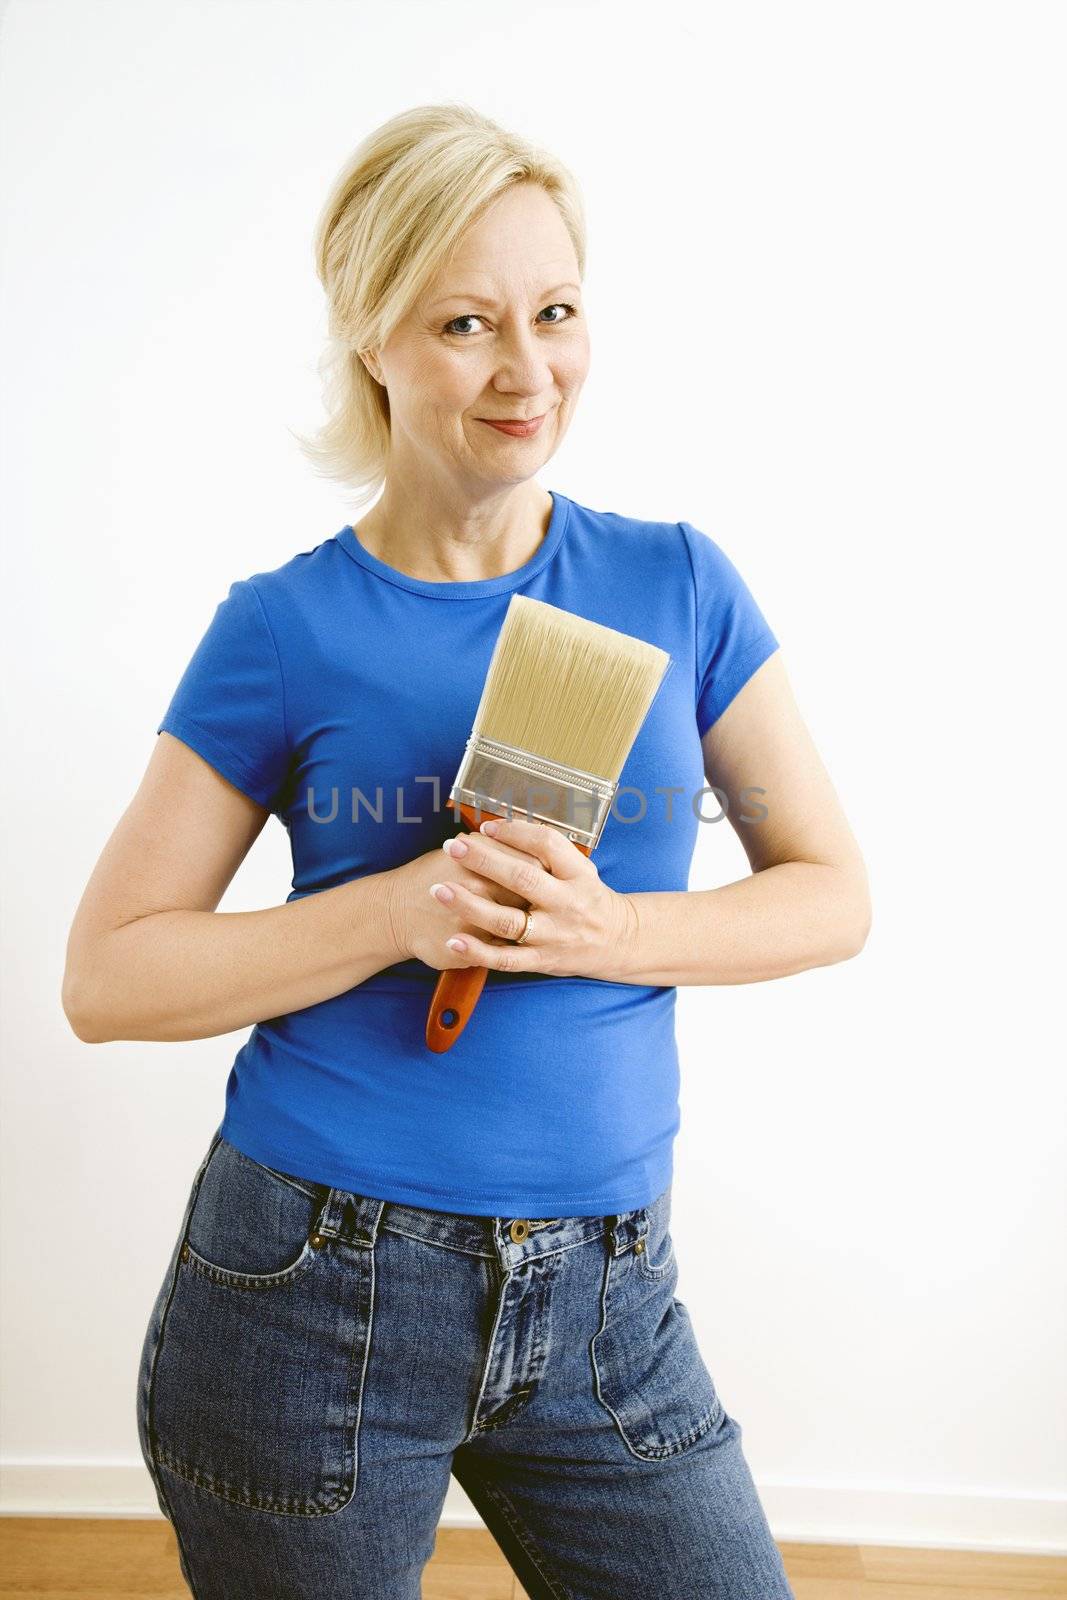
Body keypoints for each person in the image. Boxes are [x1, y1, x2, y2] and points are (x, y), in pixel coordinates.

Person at [62, 102, 869, 1599]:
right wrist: (399, 907)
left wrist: (613, 933)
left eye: (556, 312)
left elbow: (833, 895)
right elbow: (108, 978)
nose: (528, 370)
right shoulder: (283, 627)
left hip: (615, 1295)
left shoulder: (678, 583)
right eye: (466, 323)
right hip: (313, 1293)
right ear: (372, 339)